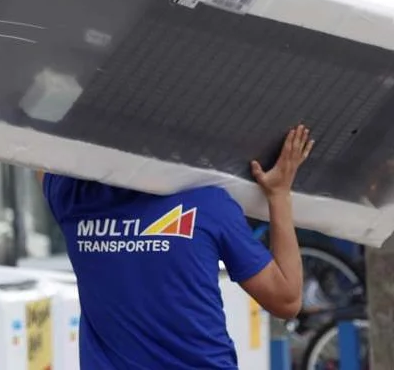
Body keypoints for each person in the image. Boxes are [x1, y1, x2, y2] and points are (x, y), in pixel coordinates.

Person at [37, 124, 314, 369]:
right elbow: (286, 300)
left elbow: (32, 148)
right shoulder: (207, 204)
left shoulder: (74, 198)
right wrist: (279, 194)